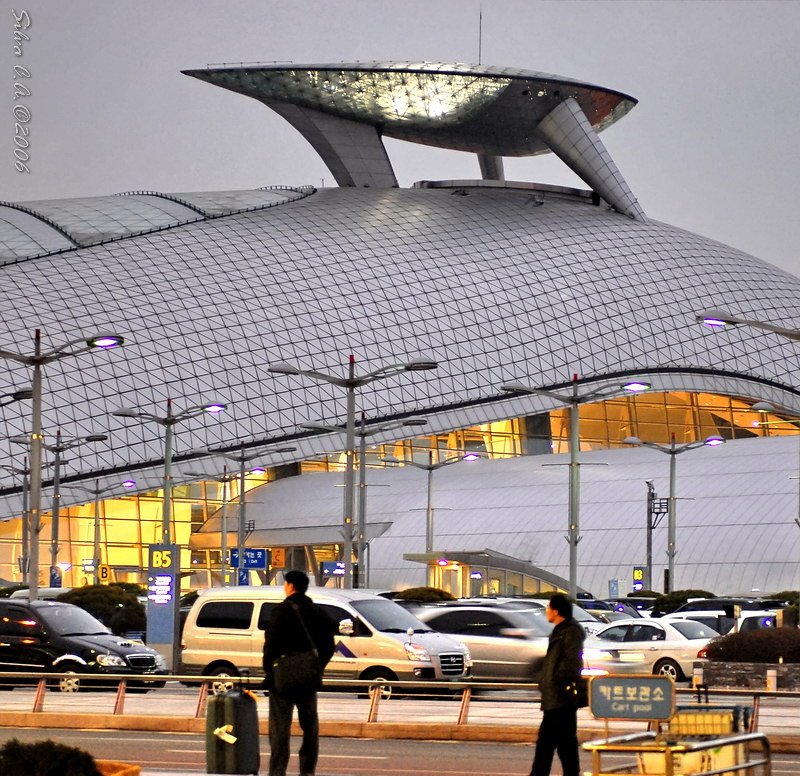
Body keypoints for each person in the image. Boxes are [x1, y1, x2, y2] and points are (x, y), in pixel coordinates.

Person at [263, 570, 336, 776]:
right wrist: (317, 667)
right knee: (310, 727)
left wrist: (270, 670)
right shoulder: (316, 611)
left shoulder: (281, 611)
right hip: (308, 677)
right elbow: (328, 645)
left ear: (290, 586)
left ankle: (278, 771)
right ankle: (307, 770)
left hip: (283, 678)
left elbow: (271, 645)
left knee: (280, 730)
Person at [530, 593, 586, 776]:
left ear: (556, 611)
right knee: (549, 743)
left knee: (564, 743)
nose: (546, 611)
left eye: (548, 607)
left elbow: (572, 662)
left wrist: (558, 681)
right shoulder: (559, 631)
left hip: (562, 697)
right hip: (553, 697)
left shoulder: (570, 632)